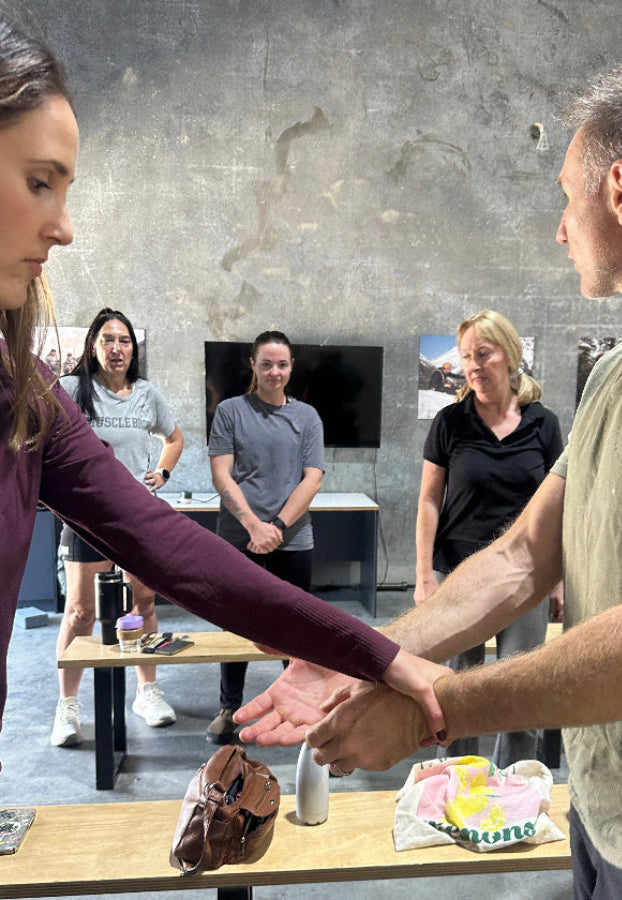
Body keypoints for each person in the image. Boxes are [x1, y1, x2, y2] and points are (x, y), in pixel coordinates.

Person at [235, 60, 622, 898]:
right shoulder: (616, 373)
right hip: (605, 816)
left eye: (565, 200)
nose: (559, 231)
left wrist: (435, 707)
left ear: (618, 190)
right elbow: (525, 555)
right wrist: (367, 653)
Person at [0, 13, 446, 768]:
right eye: (40, 182)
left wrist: (368, 649)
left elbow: (164, 540)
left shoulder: (27, 392)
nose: (65, 227)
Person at [415, 309, 563, 766]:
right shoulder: (450, 422)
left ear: (510, 355)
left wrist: (558, 578)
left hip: (526, 574)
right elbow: (428, 501)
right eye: (466, 357)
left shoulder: (543, 424)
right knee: (459, 692)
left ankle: (512, 790)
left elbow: (558, 506)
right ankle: (461, 788)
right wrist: (423, 575)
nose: (474, 365)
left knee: (522, 692)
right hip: (461, 574)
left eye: (484, 353)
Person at [51, 308, 184, 746]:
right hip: (86, 516)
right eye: (107, 339)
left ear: (133, 348)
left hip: (138, 516)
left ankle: (146, 691)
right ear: (93, 346)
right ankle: (67, 706)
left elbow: (174, 438)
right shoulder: (71, 389)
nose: (116, 348)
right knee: (81, 612)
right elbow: (43, 438)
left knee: (141, 606)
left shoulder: (146, 394)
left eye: (124, 340)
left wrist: (161, 474)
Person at [206, 330, 324, 744]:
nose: (275, 371)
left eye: (283, 364)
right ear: (253, 365)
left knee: (296, 630)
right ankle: (229, 706)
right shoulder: (230, 412)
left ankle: (297, 707)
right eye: (267, 363)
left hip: (293, 540)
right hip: (239, 540)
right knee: (235, 625)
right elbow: (222, 473)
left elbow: (313, 478)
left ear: (291, 368)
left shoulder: (307, 417)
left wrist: (276, 528)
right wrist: (254, 527)